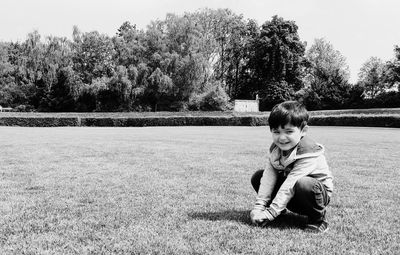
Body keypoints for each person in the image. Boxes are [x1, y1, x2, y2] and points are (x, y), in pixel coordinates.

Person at [250, 101, 333, 233]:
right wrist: (259, 208)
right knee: (258, 176)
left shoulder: (308, 152)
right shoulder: (276, 149)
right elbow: (268, 177)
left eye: (289, 131)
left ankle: (318, 220)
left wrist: (269, 214)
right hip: (292, 194)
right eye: (276, 132)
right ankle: (280, 211)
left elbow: (291, 182)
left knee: (303, 183)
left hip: (313, 196)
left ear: (303, 131)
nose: (282, 138)